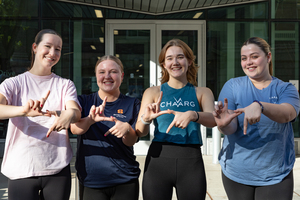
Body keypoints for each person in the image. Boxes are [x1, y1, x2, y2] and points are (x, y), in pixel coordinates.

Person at [213, 37, 300, 200]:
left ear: (268, 57)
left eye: (254, 56)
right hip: (236, 173)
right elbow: (230, 128)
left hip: (276, 175)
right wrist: (223, 125)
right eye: (244, 58)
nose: (249, 62)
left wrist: (260, 106)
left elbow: (288, 113)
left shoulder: (285, 88)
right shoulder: (232, 86)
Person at [0, 29, 82, 200]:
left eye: (58, 49)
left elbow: (75, 112)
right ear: (35, 47)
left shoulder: (65, 84)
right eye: (48, 46)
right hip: (21, 168)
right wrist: (23, 110)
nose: (53, 53)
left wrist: (69, 114)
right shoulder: (14, 83)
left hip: (57, 168)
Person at [136, 39, 216, 200]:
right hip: (158, 160)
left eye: (180, 57)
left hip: (191, 161)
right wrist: (146, 119)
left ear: (189, 61)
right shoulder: (152, 92)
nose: (175, 62)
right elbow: (139, 131)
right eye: (169, 58)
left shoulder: (202, 92)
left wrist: (194, 114)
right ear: (163, 64)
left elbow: (213, 119)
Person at [70, 55, 141, 200]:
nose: (107, 76)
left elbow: (131, 141)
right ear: (96, 76)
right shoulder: (84, 101)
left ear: (121, 75)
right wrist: (90, 120)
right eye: (102, 72)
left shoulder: (132, 104)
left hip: (125, 179)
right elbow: (75, 129)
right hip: (92, 180)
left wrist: (127, 129)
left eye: (113, 72)